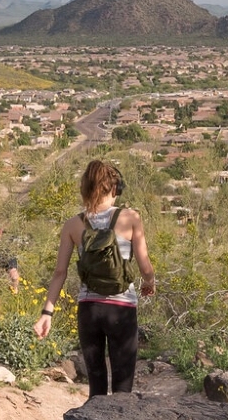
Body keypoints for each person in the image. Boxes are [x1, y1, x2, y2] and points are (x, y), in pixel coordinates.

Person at [34, 158, 154, 396]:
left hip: (89, 310)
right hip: (122, 309)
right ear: (112, 188)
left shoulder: (72, 225)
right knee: (123, 387)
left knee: (96, 385)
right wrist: (149, 282)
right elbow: (144, 265)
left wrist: (46, 313)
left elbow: (60, 272)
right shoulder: (131, 218)